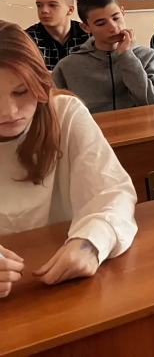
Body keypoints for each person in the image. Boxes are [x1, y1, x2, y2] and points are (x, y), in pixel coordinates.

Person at [0, 21, 137, 298]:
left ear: (40, 82)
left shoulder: (65, 114)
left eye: (21, 91)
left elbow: (113, 192)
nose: (8, 111)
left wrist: (91, 242)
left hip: (60, 283)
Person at [52, 0, 154, 114]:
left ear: (123, 12)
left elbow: (152, 103)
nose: (113, 28)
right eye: (101, 23)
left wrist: (126, 56)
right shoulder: (67, 66)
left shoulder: (147, 56)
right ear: (85, 27)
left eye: (116, 18)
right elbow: (55, 111)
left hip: (141, 125)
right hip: (90, 126)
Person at [25, 0, 91, 71]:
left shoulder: (88, 34)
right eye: (39, 5)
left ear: (70, 10)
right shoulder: (27, 38)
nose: (44, 10)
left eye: (52, 5)